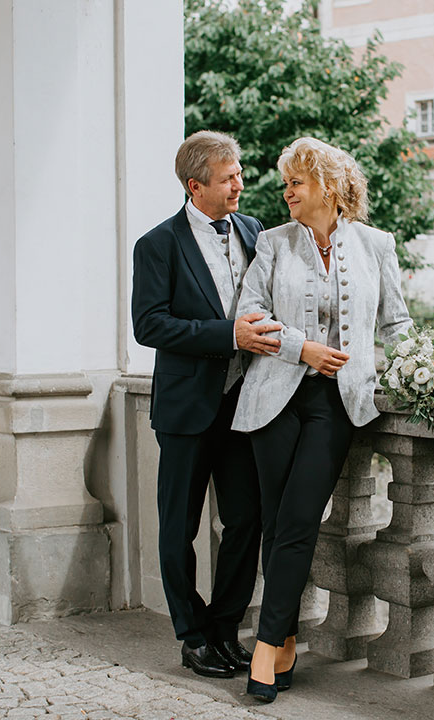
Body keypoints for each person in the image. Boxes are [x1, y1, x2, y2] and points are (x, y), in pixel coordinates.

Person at [232, 137, 413, 702]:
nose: (285, 193)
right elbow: (248, 315)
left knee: (300, 517)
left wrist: (420, 371)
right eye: (285, 183)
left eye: (295, 183)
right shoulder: (272, 243)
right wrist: (300, 348)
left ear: (328, 188)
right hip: (273, 398)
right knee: (275, 522)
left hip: (338, 403)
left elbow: (396, 324)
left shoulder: (376, 245)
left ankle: (264, 645)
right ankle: (283, 637)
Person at [131, 130, 282, 679]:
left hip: (246, 405)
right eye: (228, 178)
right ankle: (191, 635)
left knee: (246, 521)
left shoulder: (253, 230)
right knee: (180, 527)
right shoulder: (157, 245)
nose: (240, 183)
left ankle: (224, 629)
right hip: (187, 409)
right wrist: (228, 336)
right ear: (196, 186)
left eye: (239, 172)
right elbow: (149, 324)